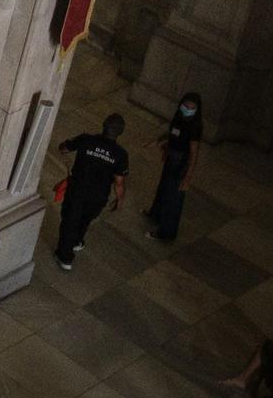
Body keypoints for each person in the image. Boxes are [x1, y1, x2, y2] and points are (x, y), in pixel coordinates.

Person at [54, 114, 128, 270]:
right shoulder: (121, 154)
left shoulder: (86, 139)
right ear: (120, 132)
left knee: (70, 221)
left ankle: (65, 257)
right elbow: (119, 182)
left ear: (103, 124)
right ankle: (76, 242)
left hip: (78, 191)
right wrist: (120, 199)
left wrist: (65, 145)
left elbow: (64, 148)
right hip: (98, 196)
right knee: (85, 219)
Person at [145, 93, 203, 242]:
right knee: (163, 189)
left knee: (173, 199)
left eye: (191, 108)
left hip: (181, 164)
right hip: (172, 158)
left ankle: (166, 232)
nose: (187, 110)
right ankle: (155, 215)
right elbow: (173, 134)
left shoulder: (194, 127)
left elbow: (194, 154)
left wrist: (188, 176)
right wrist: (160, 143)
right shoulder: (178, 117)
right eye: (186, 106)